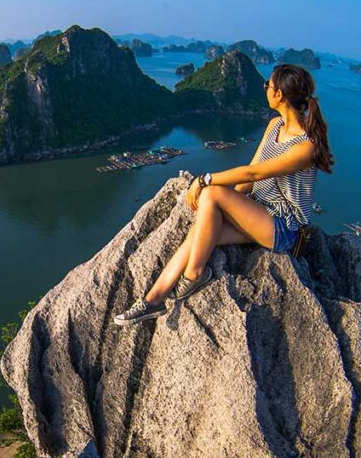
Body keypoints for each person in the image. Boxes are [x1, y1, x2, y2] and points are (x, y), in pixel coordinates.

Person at [114, 63, 334, 326]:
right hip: (258, 213)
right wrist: (229, 206)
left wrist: (205, 181)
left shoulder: (305, 147)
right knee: (200, 232)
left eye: (268, 85)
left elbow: (253, 175)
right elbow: (251, 173)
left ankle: (195, 274)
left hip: (283, 228)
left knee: (211, 194)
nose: (265, 88)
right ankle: (151, 300)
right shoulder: (275, 126)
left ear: (279, 95)